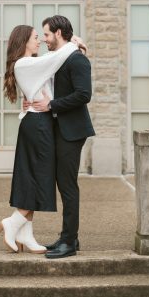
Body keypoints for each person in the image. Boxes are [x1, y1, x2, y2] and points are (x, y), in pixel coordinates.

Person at [0, 25, 85, 254]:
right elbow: (55, 58)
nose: (40, 41)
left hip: (38, 122)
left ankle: (26, 234)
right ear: (24, 41)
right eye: (36, 38)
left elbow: (55, 59)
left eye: (42, 37)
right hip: (38, 126)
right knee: (39, 178)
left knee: (33, 177)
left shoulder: (32, 63)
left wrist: (73, 44)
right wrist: (74, 42)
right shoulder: (25, 63)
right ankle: (12, 224)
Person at [23, 15, 96, 259]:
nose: (44, 40)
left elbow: (84, 95)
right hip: (59, 130)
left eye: (46, 35)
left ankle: (69, 242)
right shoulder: (57, 59)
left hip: (72, 132)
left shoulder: (77, 60)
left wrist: (51, 105)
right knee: (63, 184)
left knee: (67, 186)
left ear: (58, 33)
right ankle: (69, 237)